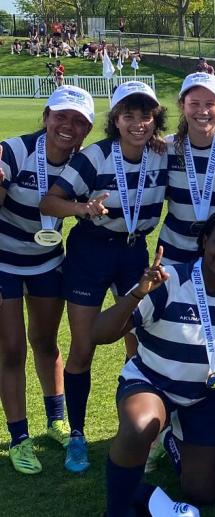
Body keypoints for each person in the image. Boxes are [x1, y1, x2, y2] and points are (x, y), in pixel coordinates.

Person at [39, 81, 168, 474]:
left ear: (155, 119)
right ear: (115, 120)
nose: (138, 123)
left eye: (145, 115)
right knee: (84, 345)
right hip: (91, 252)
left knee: (139, 344)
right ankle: (77, 435)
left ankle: (141, 436)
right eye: (128, 115)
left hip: (134, 252)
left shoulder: (161, 155)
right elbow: (49, 202)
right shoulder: (95, 157)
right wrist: (83, 208)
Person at [92, 210, 215, 515]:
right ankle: (117, 507)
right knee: (139, 428)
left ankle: (169, 439)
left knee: (202, 492)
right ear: (205, 241)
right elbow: (98, 334)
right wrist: (138, 292)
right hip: (153, 384)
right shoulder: (169, 280)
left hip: (204, 396)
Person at [0, 86, 94, 475]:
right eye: (61, 116)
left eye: (78, 121)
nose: (68, 126)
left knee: (44, 342)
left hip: (47, 261)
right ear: (46, 117)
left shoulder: (85, 162)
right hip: (4, 262)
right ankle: (20, 437)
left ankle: (55, 419)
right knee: (10, 350)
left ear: (87, 129)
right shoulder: (13, 151)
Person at [158, 72, 215, 265]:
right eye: (194, 103)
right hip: (173, 256)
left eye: (210, 104)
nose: (202, 111)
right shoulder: (165, 148)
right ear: (182, 106)